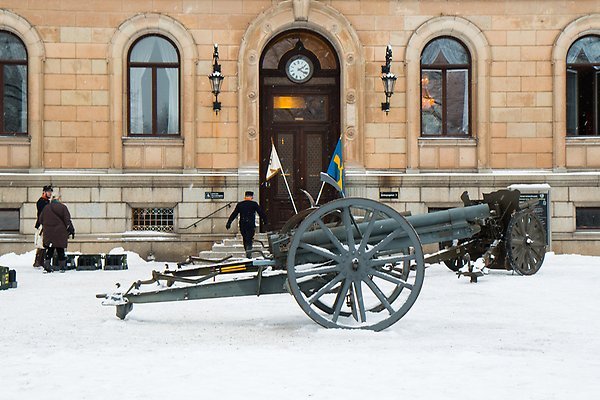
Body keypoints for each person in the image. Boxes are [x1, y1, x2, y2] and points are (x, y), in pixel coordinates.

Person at [39, 193, 75, 273]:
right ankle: (62, 267)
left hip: (49, 233)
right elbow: (67, 220)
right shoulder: (63, 207)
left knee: (50, 250)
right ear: (59, 199)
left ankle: (47, 266)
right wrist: (71, 230)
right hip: (60, 232)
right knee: (60, 249)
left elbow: (40, 220)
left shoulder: (46, 208)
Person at [226, 191, 267, 258]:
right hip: (250, 224)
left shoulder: (240, 204)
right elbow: (261, 213)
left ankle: (247, 250)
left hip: (243, 224)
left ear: (245, 197)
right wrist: (265, 221)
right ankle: (249, 252)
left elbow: (234, 214)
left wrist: (229, 222)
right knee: (249, 239)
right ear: (251, 197)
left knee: (245, 238)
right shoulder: (254, 204)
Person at [33, 185, 53, 268]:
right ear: (44, 192)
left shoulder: (46, 202)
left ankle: (40, 261)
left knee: (44, 243)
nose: (50, 194)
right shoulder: (42, 201)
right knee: (41, 243)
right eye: (48, 192)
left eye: (50, 192)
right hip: (42, 224)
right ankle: (38, 261)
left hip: (45, 224)